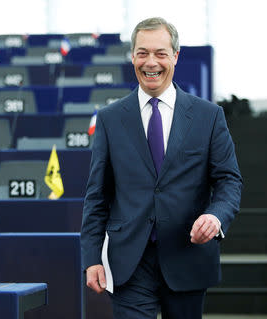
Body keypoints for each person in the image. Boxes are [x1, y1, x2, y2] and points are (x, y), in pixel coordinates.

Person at [81, 17, 242, 319]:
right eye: (142, 53)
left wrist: (215, 216)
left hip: (187, 256)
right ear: (132, 56)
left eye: (160, 53)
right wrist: (91, 258)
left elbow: (229, 182)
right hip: (129, 262)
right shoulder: (109, 119)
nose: (150, 62)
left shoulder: (209, 116)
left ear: (175, 57)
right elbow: (97, 195)